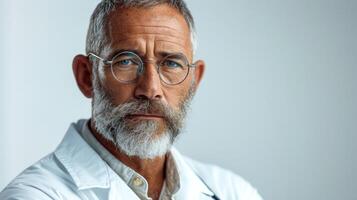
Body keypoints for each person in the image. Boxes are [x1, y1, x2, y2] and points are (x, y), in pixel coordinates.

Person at [0, 0, 263, 199]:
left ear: (194, 81)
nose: (150, 89)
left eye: (171, 63)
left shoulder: (233, 191)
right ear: (86, 76)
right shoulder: (36, 194)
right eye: (126, 61)